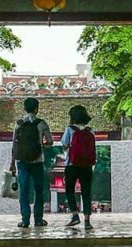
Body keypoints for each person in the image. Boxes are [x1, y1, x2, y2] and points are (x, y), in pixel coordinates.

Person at [11, 96, 51, 229]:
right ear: (36, 109)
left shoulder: (18, 123)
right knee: (38, 190)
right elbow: (50, 142)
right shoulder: (42, 124)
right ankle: (38, 219)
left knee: (24, 191)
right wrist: (41, 145)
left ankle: (25, 220)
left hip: (22, 161)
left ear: (24, 108)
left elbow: (14, 145)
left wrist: (12, 163)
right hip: (38, 161)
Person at [60, 104, 96, 229]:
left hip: (72, 164)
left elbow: (64, 144)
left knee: (70, 190)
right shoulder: (90, 130)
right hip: (86, 166)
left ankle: (75, 215)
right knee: (86, 191)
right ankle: (87, 220)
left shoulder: (69, 130)